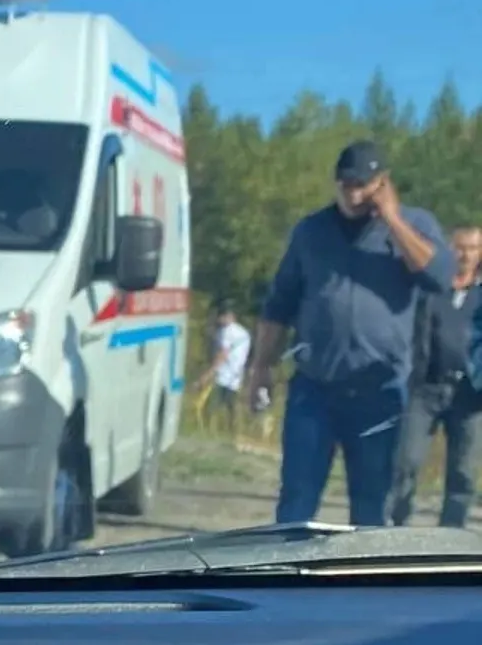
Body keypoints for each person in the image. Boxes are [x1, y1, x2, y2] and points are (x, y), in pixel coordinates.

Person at [245, 140, 456, 526]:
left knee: (372, 505)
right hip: (314, 389)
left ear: (383, 183)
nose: (354, 194)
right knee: (296, 498)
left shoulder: (415, 226)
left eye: (364, 184)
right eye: (346, 185)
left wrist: (392, 219)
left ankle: (367, 584)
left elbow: (440, 277)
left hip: (378, 392)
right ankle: (286, 579)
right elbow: (278, 306)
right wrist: (260, 368)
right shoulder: (311, 232)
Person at [391, 224, 482, 527]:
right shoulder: (432, 287)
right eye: (459, 247)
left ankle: (451, 537)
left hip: (470, 394)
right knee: (407, 462)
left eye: (472, 248)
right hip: (427, 388)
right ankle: (397, 529)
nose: (465, 254)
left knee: (463, 472)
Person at [195, 302, 251, 433]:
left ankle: (210, 431)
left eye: (220, 316)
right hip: (236, 374)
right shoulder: (242, 332)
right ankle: (232, 431)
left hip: (224, 374)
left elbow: (222, 354)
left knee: (211, 405)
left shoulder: (227, 332)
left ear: (228, 316)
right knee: (231, 405)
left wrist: (207, 374)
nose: (218, 320)